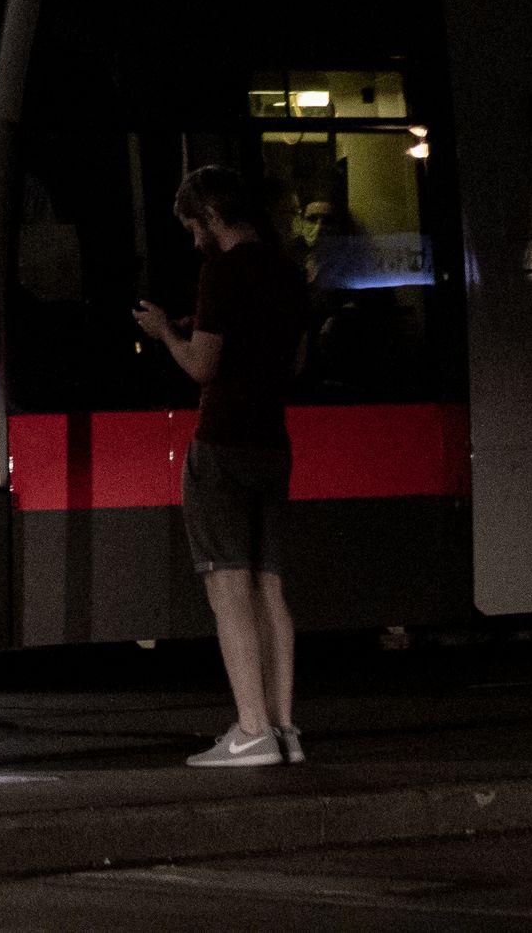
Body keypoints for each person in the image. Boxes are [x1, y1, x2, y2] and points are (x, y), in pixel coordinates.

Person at [133, 163, 305, 769]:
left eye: (191, 226)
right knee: (270, 589)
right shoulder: (287, 271)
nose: (192, 239)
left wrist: (164, 334)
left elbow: (204, 366)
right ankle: (284, 729)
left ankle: (252, 732)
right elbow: (289, 358)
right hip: (272, 443)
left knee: (227, 587)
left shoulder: (221, 272)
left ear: (208, 217)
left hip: (224, 444)